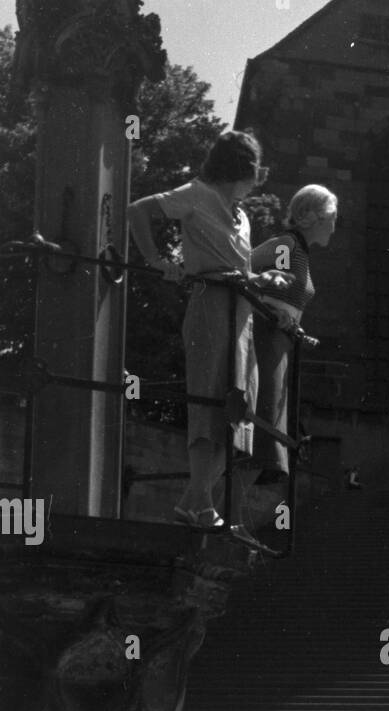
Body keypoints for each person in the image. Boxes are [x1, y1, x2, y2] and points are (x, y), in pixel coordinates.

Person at [128, 130, 286, 530]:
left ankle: (194, 504)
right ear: (243, 169)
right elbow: (138, 211)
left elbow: (241, 267)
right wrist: (156, 260)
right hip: (211, 308)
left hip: (242, 313)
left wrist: (263, 278)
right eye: (258, 171)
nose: (259, 180)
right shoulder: (197, 194)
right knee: (209, 406)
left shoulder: (242, 214)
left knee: (237, 409)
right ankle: (199, 506)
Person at [249, 185, 338, 485]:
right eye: (332, 218)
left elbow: (285, 295)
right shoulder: (288, 244)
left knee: (270, 418)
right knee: (263, 419)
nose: (334, 226)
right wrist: (269, 307)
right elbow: (242, 265)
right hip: (266, 338)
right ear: (314, 216)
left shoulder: (300, 251)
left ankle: (235, 509)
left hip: (281, 342)